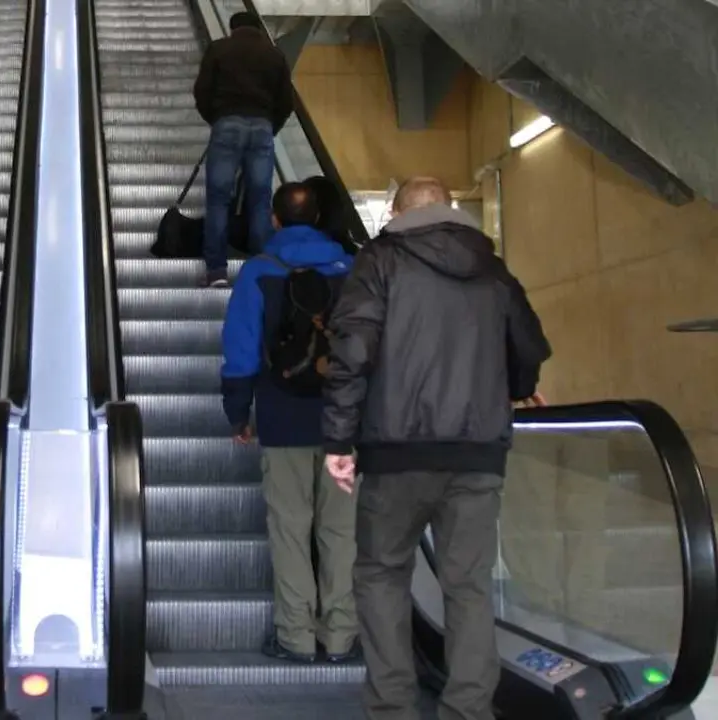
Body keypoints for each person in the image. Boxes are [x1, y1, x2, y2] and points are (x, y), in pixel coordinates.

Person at [321, 177, 551, 720]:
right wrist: (515, 388)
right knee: (468, 586)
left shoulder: (379, 260)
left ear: (396, 212)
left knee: (381, 576)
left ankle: (392, 708)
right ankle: (469, 711)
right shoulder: (492, 268)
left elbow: (352, 349)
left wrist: (338, 438)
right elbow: (527, 344)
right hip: (477, 454)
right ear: (451, 210)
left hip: (395, 452)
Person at [220, 182, 358, 663]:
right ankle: (341, 636)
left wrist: (239, 414)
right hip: (346, 423)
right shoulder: (354, 269)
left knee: (290, 529)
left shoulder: (259, 271)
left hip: (282, 419)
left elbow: (239, 353)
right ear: (318, 218)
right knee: (342, 531)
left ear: (275, 220)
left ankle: (296, 636)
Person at [193, 11, 295, 288]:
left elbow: (202, 91)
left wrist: (218, 118)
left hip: (227, 124)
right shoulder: (275, 56)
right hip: (262, 126)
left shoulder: (219, 49)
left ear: (232, 27)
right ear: (258, 29)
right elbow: (287, 99)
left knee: (218, 200)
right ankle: (261, 270)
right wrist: (269, 126)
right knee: (260, 200)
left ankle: (216, 271)